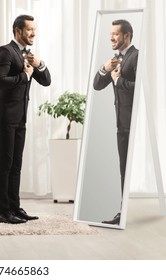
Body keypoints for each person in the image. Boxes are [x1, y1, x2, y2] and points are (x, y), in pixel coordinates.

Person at [0, 15, 51, 224]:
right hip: (5, 116)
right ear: (18, 31)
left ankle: (14, 208)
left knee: (16, 164)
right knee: (5, 163)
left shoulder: (28, 55)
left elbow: (46, 81)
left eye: (35, 29)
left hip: (20, 118)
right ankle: (2, 212)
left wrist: (39, 63)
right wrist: (24, 77)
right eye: (29, 29)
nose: (33, 33)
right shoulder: (6, 51)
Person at [93, 19, 138, 225]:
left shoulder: (136, 56)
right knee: (122, 167)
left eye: (115, 34)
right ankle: (122, 210)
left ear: (127, 36)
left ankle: (124, 211)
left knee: (127, 167)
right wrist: (104, 67)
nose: (111, 37)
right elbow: (96, 85)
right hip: (121, 123)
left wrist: (119, 80)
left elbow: (140, 87)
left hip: (134, 123)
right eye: (110, 33)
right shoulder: (115, 59)